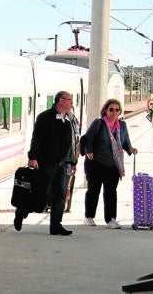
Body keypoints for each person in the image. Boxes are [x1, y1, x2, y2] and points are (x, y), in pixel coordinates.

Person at [16, 91, 77, 236]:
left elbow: (72, 142)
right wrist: (33, 157)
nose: (71, 103)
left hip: (62, 163)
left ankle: (56, 226)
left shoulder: (69, 118)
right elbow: (37, 138)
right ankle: (21, 212)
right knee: (40, 194)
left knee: (60, 194)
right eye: (69, 100)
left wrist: (73, 161)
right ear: (61, 101)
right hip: (46, 163)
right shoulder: (45, 117)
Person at [82, 99, 138, 229]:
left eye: (117, 110)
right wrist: (89, 152)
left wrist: (130, 149)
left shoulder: (122, 126)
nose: (114, 112)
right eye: (111, 109)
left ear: (120, 112)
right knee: (93, 191)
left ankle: (111, 219)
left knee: (111, 192)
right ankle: (89, 216)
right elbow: (87, 139)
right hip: (95, 163)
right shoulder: (99, 124)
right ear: (105, 111)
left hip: (113, 165)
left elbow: (125, 142)